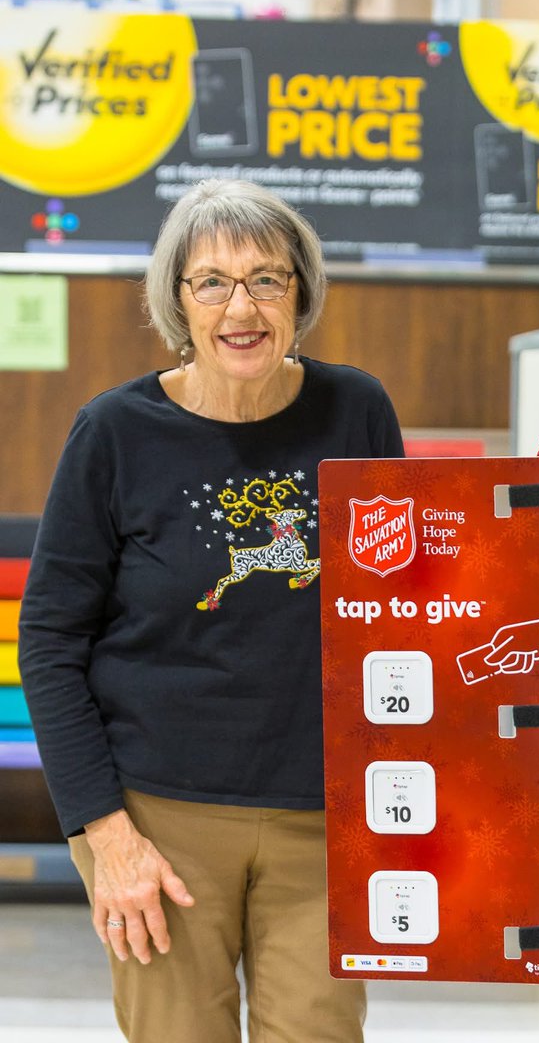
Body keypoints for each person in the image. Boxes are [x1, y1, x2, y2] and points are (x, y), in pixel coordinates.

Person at [18, 179, 404, 1043]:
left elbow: (399, 607)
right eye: (213, 282)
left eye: (268, 279)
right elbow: (47, 641)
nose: (243, 306)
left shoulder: (358, 410)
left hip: (324, 814)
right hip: (157, 819)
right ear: (177, 302)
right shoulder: (114, 432)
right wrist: (104, 832)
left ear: (300, 294)